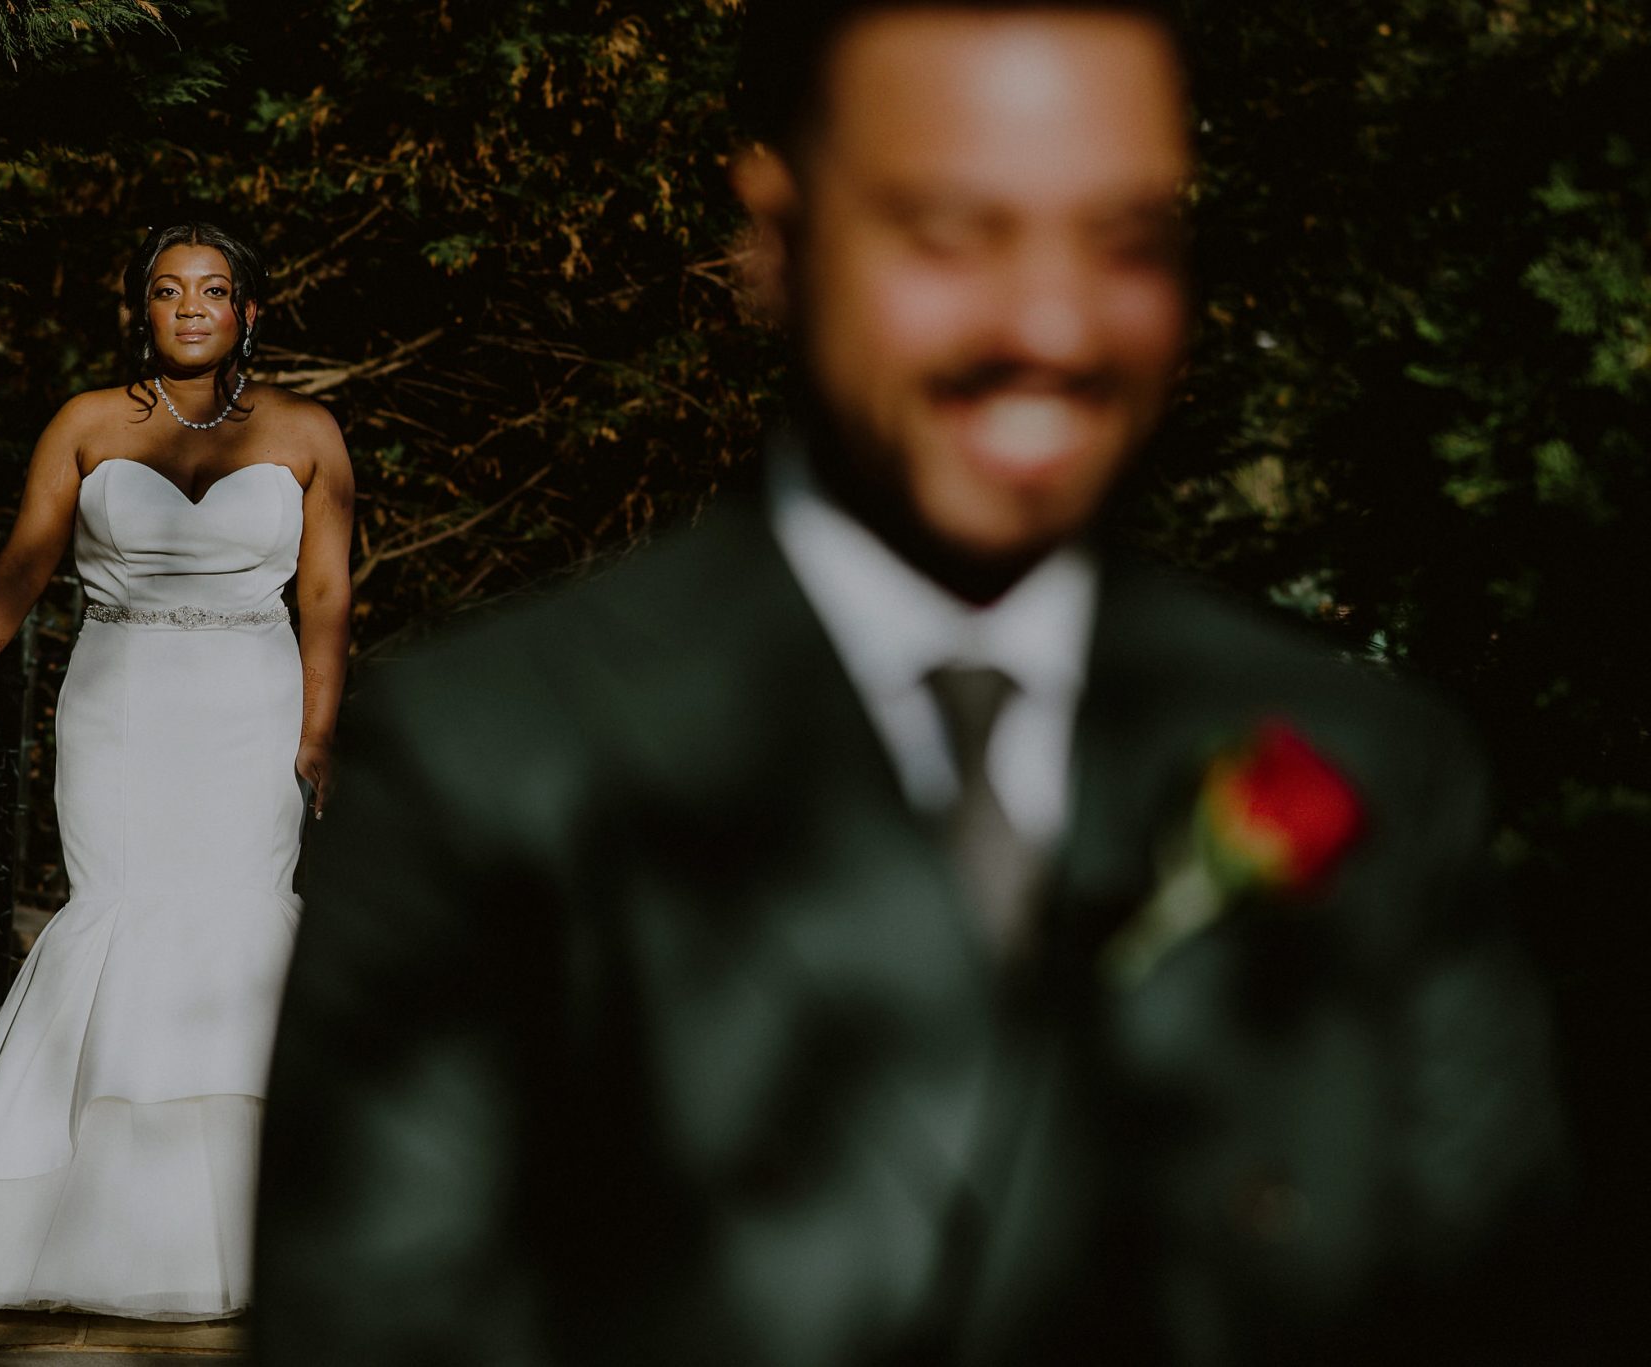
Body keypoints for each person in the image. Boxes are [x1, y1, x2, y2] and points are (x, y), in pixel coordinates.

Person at [254, 4, 1564, 1364]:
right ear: (776, 235)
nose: (1050, 324)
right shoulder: (489, 765)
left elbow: (1490, 1302)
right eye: (953, 232)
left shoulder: (1370, 760)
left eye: (1124, 238)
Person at [0, 221, 354, 1320]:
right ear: (141, 310)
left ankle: (264, 1234)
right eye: (167, 291)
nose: (191, 307)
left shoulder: (307, 431)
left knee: (237, 917)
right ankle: (76, 1230)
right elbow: (22, 566)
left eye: (212, 290)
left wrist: (317, 731)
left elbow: (328, 597)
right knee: (120, 912)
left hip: (247, 709)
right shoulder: (86, 423)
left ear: (249, 312)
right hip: (121, 704)